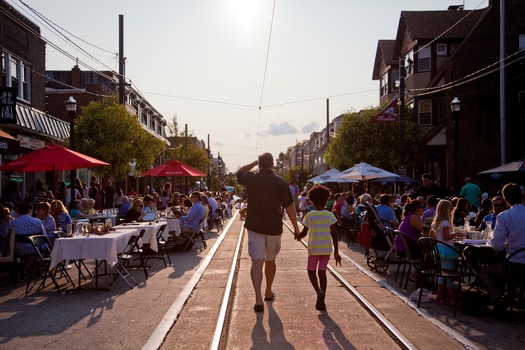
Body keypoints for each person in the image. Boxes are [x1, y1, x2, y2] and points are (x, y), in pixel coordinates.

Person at [236, 153, 300, 313]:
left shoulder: (251, 179)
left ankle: (258, 299)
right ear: (273, 165)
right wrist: (296, 228)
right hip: (273, 228)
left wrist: (253, 163)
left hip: (255, 227)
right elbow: (289, 206)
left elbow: (238, 173)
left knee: (256, 262)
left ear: (260, 164)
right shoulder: (280, 182)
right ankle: (268, 291)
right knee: (270, 260)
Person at [295, 185, 341, 311]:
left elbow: (304, 233)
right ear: (326, 200)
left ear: (312, 201)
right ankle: (322, 299)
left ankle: (318, 291)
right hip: (326, 249)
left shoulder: (309, 216)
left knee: (311, 271)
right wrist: (336, 252)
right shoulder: (330, 215)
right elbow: (334, 235)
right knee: (322, 272)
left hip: (314, 249)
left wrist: (298, 236)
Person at [480, 183, 525, 312]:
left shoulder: (504, 216)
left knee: (484, 272)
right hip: (519, 263)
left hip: (514, 265)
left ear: (505, 200)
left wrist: (506, 243)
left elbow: (497, 246)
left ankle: (497, 298)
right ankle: (508, 295)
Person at [429, 200, 463, 305]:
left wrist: (438, 240)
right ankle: (452, 298)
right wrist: (456, 233)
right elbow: (446, 237)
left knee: (442, 274)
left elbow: (431, 235)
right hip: (447, 250)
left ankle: (440, 296)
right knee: (448, 275)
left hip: (440, 248)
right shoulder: (446, 222)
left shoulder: (436, 222)